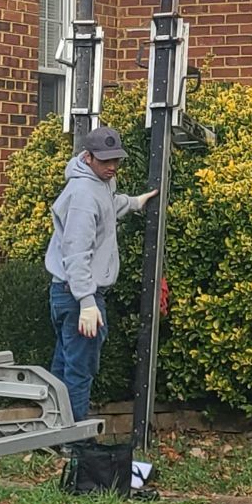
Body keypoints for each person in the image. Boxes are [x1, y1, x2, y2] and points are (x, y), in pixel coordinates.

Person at [44, 125, 152, 426]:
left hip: (68, 292)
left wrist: (135, 202)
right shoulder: (83, 194)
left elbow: (107, 207)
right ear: (88, 157)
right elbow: (76, 252)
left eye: (116, 159)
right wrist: (87, 302)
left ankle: (55, 433)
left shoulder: (97, 183)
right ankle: (75, 441)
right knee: (79, 371)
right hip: (78, 294)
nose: (112, 166)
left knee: (65, 365)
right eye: (105, 160)